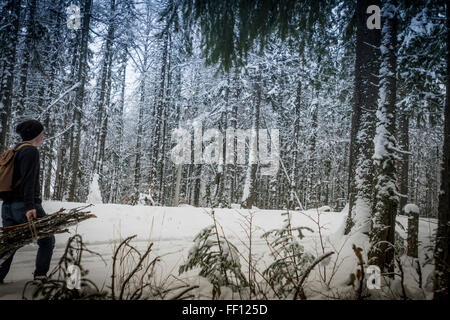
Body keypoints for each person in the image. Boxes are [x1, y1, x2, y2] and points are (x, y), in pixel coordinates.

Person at [0, 120, 54, 284]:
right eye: (42, 133)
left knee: (10, 243)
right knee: (47, 239)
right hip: (24, 205)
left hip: (8, 206)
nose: (43, 137)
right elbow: (28, 181)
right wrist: (30, 207)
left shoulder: (15, 150)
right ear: (35, 135)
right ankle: (40, 275)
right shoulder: (30, 151)